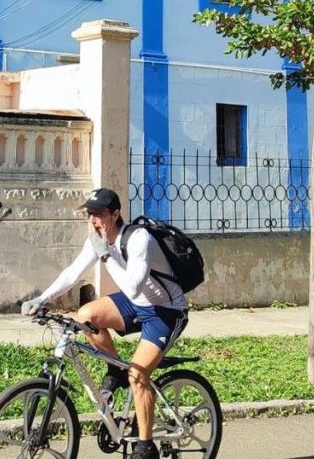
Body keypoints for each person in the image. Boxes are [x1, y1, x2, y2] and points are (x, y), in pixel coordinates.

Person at [21, 188, 189, 459]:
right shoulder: (97, 240)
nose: (94, 220)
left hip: (166, 311)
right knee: (85, 315)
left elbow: (133, 287)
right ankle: (116, 370)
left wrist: (106, 255)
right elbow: (72, 273)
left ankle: (145, 447)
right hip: (136, 304)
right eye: (90, 214)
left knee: (138, 375)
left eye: (99, 214)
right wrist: (41, 299)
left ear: (115, 214)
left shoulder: (138, 239)